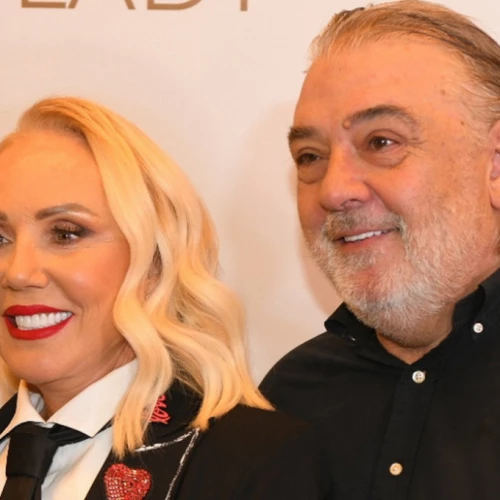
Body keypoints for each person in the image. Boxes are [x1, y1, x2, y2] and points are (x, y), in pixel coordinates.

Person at [0, 96, 328, 500]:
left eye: (66, 233)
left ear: (155, 260)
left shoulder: (256, 463)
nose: (17, 272)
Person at [260, 1, 500, 499]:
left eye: (382, 142)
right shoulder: (286, 402)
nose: (333, 190)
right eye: (310, 156)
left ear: (495, 164)